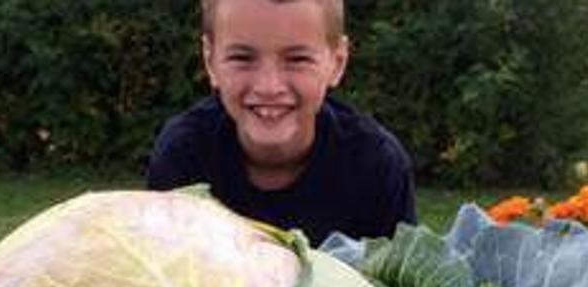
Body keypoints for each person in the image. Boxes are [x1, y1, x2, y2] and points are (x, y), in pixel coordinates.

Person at [147, 0, 416, 245]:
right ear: (210, 61)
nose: (269, 86)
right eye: (242, 58)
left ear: (337, 63)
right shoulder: (183, 154)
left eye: (297, 59)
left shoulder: (376, 165)